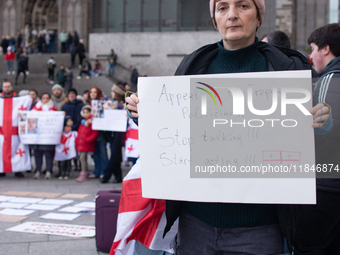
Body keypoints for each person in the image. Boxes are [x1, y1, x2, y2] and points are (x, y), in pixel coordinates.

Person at [126, 0, 331, 254]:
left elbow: (320, 138)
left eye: (243, 6)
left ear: (258, 18)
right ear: (215, 19)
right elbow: (173, 129)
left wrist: (323, 120)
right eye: (222, 8)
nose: (232, 15)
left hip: (260, 230)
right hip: (196, 225)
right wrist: (143, 113)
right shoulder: (193, 66)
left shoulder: (289, 69)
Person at [293, 23, 340, 255]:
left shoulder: (329, 80)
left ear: (325, 49)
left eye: (312, 48)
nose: (310, 56)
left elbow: (322, 137)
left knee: (309, 246)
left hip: (326, 186)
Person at [100, 84, 126, 184]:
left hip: (119, 131)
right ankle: (118, 176)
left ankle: (106, 175)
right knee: (116, 154)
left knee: (115, 154)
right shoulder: (113, 103)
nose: (111, 93)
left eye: (113, 91)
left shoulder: (119, 104)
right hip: (112, 130)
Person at [31, 93, 57, 179]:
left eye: (47, 98)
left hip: (48, 137)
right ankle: (38, 170)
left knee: (48, 154)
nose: (45, 100)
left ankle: (48, 170)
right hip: (38, 137)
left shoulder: (53, 109)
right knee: (38, 154)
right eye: (43, 98)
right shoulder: (35, 109)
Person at [86, 86, 108, 179]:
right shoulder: (87, 104)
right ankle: (96, 171)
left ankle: (104, 171)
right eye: (91, 92)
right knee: (95, 154)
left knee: (103, 153)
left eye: (95, 92)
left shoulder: (103, 104)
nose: (93, 94)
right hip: (91, 132)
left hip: (101, 133)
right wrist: (85, 121)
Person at [75, 105, 99, 182]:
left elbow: (94, 132)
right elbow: (80, 132)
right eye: (84, 112)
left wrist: (88, 140)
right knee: (82, 158)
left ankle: (84, 173)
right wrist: (77, 140)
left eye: (87, 112)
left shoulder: (91, 121)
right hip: (82, 143)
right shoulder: (84, 122)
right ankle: (84, 172)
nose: (86, 114)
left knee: (82, 158)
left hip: (86, 143)